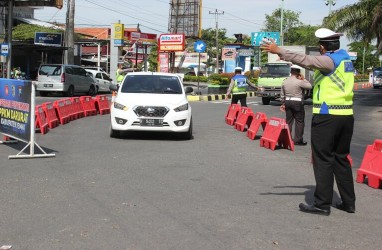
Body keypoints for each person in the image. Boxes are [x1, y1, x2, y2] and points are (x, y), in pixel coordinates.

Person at [261, 28, 356, 216]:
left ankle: (322, 204)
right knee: (341, 159)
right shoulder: (345, 60)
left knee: (323, 160)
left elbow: (308, 60)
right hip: (346, 116)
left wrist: (280, 50)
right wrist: (289, 58)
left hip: (327, 116)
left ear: (323, 47)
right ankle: (349, 202)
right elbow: (314, 66)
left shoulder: (329, 60)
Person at [280, 64, 312, 146]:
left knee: (289, 121)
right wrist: (303, 79)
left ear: (291, 72)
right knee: (299, 121)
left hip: (287, 101)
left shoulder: (285, 81)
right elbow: (309, 86)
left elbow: (282, 94)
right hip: (297, 102)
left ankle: (287, 138)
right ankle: (298, 140)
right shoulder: (299, 82)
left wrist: (283, 103)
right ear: (298, 72)